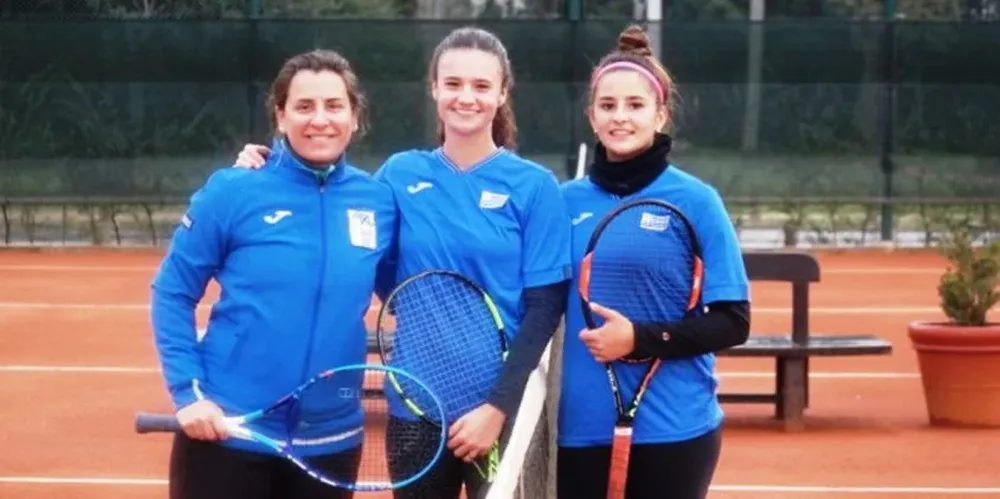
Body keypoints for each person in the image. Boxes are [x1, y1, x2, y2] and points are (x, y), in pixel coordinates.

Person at [232, 27, 571, 499]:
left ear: (502, 93)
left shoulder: (534, 187)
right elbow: (337, 218)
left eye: (480, 85)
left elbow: (545, 308)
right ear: (434, 89)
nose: (465, 97)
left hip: (502, 414)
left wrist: (497, 407)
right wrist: (269, 169)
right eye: (453, 84)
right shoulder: (399, 175)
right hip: (415, 408)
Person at [150, 49, 397, 499]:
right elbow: (172, 291)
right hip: (228, 432)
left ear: (355, 117)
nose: (319, 119)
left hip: (331, 442)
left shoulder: (377, 201)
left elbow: (405, 292)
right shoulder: (233, 191)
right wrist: (188, 394)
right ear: (280, 117)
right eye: (304, 106)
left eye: (334, 105)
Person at [556, 25, 751, 499]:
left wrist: (638, 339)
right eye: (607, 106)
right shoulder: (560, 203)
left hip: (673, 429)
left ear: (661, 115)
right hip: (576, 431)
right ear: (591, 116)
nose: (620, 117)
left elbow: (733, 322)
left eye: (635, 105)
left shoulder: (697, 201)